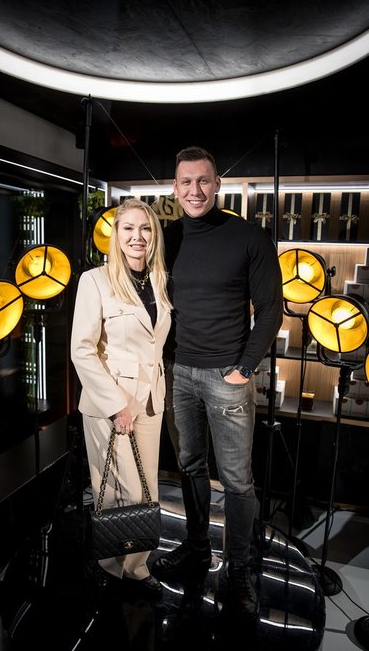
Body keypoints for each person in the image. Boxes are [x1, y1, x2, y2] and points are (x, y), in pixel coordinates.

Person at [151, 146, 283, 615]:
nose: (195, 190)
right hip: (177, 371)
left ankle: (238, 568)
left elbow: (271, 310)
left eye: (203, 180)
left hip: (228, 376)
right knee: (189, 466)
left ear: (217, 184)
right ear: (175, 187)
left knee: (237, 481)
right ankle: (197, 549)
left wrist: (243, 368)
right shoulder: (166, 237)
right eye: (186, 182)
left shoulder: (249, 237)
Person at [70, 197, 172, 599]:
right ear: (115, 235)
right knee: (118, 490)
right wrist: (116, 405)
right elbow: (82, 349)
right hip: (112, 402)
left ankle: (136, 566)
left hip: (151, 400)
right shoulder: (94, 280)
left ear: (154, 235)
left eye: (145, 228)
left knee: (146, 492)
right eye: (128, 228)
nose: (137, 236)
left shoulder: (158, 279)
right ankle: (111, 569)